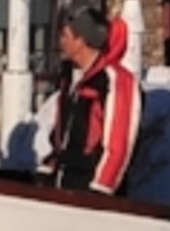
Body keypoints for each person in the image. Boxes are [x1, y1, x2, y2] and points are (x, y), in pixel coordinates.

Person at [43, 13, 143, 195]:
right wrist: (48, 170)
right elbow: (62, 134)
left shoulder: (115, 80)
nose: (61, 42)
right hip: (64, 185)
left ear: (81, 40)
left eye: (65, 35)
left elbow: (119, 143)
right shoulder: (71, 79)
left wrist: (100, 190)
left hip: (90, 188)